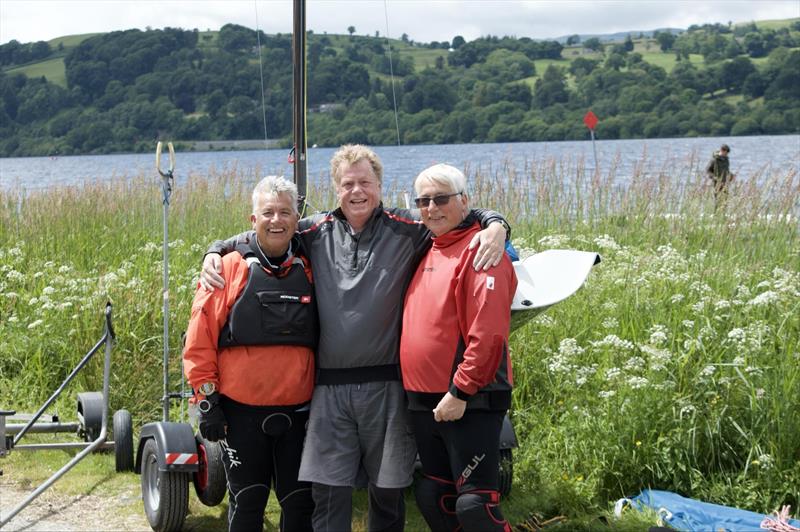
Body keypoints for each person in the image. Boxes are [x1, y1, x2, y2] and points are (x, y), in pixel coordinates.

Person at [200, 144, 510, 532]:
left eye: (365, 182)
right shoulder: (314, 230)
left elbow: (453, 213)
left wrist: (496, 224)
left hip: (388, 385)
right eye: (347, 184)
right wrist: (215, 250)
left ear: (380, 184)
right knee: (328, 494)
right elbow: (269, 231)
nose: (357, 191)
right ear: (336, 188)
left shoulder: (410, 226)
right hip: (330, 387)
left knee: (387, 492)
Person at [183, 175, 316, 532]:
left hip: (299, 413)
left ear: (297, 217)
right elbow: (199, 341)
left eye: (285, 212)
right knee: (248, 502)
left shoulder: (312, 266)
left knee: (299, 504)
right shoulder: (225, 269)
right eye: (268, 212)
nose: (277, 220)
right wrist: (206, 402)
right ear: (252, 220)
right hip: (240, 414)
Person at [400, 164, 516, 532]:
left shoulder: (483, 249)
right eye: (424, 200)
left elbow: (489, 334)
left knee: (474, 507)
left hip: (470, 398)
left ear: (464, 202)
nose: (431, 208)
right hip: (423, 399)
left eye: (441, 199)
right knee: (434, 496)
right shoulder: (425, 244)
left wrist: (461, 390)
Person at [706, 143, 734, 209]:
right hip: (717, 184)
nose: (726, 155)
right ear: (721, 150)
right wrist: (716, 179)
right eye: (726, 153)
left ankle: (723, 217)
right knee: (718, 201)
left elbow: (726, 171)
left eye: (727, 153)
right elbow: (708, 171)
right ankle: (716, 216)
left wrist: (731, 175)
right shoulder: (714, 160)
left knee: (725, 202)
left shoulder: (726, 160)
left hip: (725, 183)